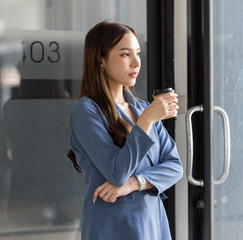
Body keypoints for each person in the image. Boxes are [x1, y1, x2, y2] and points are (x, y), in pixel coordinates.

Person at [67, 20, 183, 240]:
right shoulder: (87, 111)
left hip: (153, 225)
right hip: (113, 227)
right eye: (125, 54)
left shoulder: (141, 108)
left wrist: (134, 184)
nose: (136, 62)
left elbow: (175, 166)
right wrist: (147, 120)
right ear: (101, 59)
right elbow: (117, 173)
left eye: (138, 53)